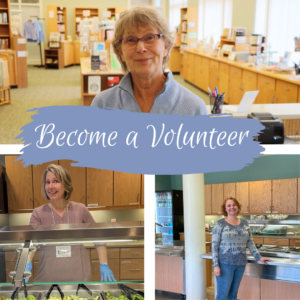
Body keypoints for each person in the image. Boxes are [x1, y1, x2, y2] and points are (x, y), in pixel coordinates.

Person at [91, 6, 208, 116]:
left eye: (150, 37)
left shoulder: (194, 109)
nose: (141, 48)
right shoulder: (102, 105)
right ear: (121, 52)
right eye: (131, 40)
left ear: (166, 47)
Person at [26, 164, 116, 283]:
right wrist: (25, 265)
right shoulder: (38, 213)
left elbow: (99, 238)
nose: (50, 186)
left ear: (66, 185)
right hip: (48, 277)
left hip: (79, 274)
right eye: (47, 182)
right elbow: (30, 244)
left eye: (56, 181)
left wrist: (104, 265)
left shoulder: (80, 209)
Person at [212, 197, 272, 300]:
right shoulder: (220, 224)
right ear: (225, 209)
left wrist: (259, 257)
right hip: (225, 264)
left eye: (234, 205)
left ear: (238, 207)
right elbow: (214, 245)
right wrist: (216, 265)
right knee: (223, 295)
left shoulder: (244, 223)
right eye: (229, 205)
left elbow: (250, 242)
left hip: (240, 263)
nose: (232, 207)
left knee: (233, 294)